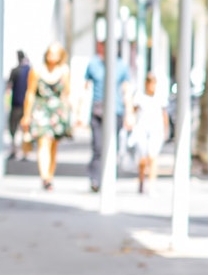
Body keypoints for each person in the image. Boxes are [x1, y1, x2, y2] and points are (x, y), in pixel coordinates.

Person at [22, 45, 72, 190]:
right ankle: (45, 177)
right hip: (41, 109)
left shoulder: (64, 71)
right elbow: (30, 93)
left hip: (57, 111)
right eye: (50, 53)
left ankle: (50, 174)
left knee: (53, 144)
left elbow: (67, 93)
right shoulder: (37, 70)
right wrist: (26, 115)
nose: (52, 56)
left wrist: (70, 113)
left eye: (55, 54)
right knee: (44, 142)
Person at [83, 42, 129, 193]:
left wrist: (130, 113)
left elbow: (126, 90)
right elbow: (85, 87)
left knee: (111, 146)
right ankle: (95, 179)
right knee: (97, 147)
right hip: (97, 110)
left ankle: (109, 178)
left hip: (116, 111)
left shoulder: (121, 66)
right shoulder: (93, 64)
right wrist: (79, 111)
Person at [128, 74, 167, 194]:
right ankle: (141, 180)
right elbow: (133, 110)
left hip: (156, 129)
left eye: (153, 82)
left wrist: (165, 130)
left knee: (153, 156)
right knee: (143, 159)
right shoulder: (140, 96)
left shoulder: (160, 97)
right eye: (149, 82)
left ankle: (151, 184)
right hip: (142, 129)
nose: (151, 85)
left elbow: (164, 114)